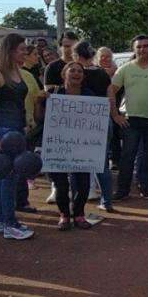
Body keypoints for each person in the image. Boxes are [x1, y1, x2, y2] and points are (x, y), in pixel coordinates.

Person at [109, 35, 148, 201]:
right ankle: (123, 190)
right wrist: (115, 115)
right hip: (130, 120)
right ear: (134, 49)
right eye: (139, 46)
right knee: (128, 156)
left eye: (146, 46)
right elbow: (111, 90)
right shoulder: (125, 69)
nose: (142, 49)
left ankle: (146, 187)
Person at [0, 33, 34, 240]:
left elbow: (19, 103)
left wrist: (26, 123)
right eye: (22, 49)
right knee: (9, 177)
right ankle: (10, 223)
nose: (25, 52)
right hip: (3, 131)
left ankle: (1, 219)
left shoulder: (18, 71)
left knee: (6, 176)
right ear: (10, 50)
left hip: (17, 130)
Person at [48, 62, 93, 230]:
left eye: (79, 71)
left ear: (83, 76)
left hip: (82, 146)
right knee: (60, 183)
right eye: (72, 70)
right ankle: (64, 215)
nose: (76, 73)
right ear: (64, 74)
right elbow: (40, 118)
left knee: (83, 183)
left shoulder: (89, 96)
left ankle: (79, 214)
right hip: (58, 145)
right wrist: (40, 102)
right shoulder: (53, 93)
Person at [73, 41, 114, 212]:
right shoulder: (103, 74)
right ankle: (107, 200)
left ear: (76, 55)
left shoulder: (74, 73)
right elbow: (111, 97)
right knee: (102, 163)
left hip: (80, 122)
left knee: (75, 163)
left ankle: (76, 203)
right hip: (103, 120)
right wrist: (115, 116)